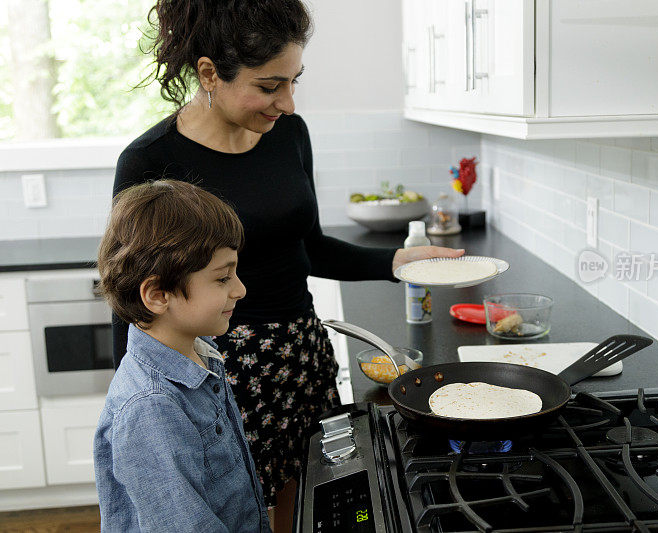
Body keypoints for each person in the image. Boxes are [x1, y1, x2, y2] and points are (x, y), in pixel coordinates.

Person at [113, 1, 464, 530]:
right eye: (270, 86)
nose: (288, 103)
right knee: (233, 511)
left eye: (294, 81)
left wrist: (398, 262)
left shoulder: (289, 136)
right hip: (218, 368)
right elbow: (132, 298)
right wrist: (147, 402)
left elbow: (310, 247)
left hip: (300, 353)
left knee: (310, 504)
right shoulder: (150, 161)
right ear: (210, 73)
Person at [94, 180, 270, 532]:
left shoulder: (201, 353)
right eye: (222, 279)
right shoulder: (151, 407)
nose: (240, 289)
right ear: (158, 295)